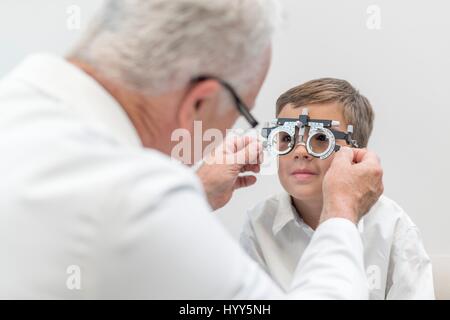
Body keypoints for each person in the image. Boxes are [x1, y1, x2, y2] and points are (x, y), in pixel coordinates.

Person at [0, 0, 383, 299]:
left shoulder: (18, 100)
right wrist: (342, 213)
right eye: (241, 112)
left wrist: (194, 190)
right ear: (200, 103)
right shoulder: (138, 201)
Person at [240, 78, 435, 299]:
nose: (300, 150)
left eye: (322, 138)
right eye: (287, 137)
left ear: (357, 152)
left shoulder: (393, 228)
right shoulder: (259, 223)